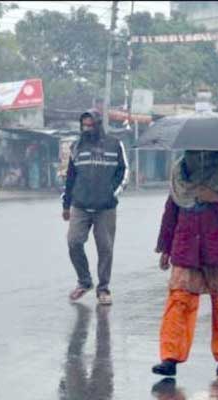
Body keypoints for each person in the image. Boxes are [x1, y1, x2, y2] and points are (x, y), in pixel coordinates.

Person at [152, 150, 218, 378]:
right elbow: (172, 209)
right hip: (186, 244)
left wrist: (217, 198)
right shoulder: (181, 169)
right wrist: (166, 247)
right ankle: (170, 357)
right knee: (179, 300)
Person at [62, 109, 129, 305]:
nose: (87, 128)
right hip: (80, 206)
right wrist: (66, 205)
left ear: (98, 124)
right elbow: (70, 178)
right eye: (84, 125)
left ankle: (103, 289)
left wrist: (111, 193)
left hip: (105, 208)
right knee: (74, 242)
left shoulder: (115, 144)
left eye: (91, 125)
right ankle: (84, 281)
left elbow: (124, 172)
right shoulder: (76, 147)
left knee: (105, 248)